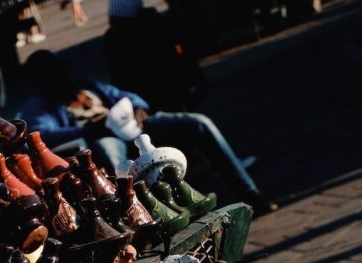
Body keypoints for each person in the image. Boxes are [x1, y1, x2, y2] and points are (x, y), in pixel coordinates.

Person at [20, 50, 277, 214]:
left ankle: (248, 190)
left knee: (198, 123)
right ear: (44, 81)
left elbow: (124, 95)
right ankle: (153, 215)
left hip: (135, 125)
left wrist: (139, 106)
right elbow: (44, 134)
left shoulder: (85, 85)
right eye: (54, 75)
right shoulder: (39, 106)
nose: (63, 76)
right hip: (103, 136)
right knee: (113, 160)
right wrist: (89, 128)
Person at [104, 0, 206, 112]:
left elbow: (174, 61)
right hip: (144, 97)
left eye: (116, 20)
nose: (111, 23)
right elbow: (118, 75)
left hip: (168, 89)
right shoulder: (112, 39)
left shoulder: (154, 29)